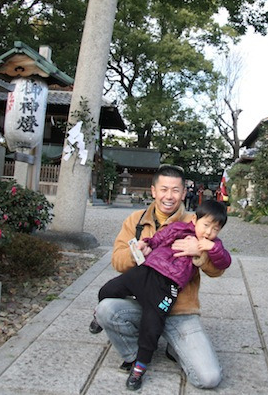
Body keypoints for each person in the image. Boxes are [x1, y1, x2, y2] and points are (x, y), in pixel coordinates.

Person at [92, 164, 228, 390]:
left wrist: (201, 253)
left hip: (179, 310)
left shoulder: (199, 223)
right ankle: (134, 355)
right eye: (164, 189)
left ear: (184, 193)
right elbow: (117, 260)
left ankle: (174, 345)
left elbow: (218, 270)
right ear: (153, 191)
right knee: (106, 308)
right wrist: (138, 255)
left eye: (175, 190)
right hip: (143, 302)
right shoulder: (135, 221)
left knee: (208, 378)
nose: (169, 196)